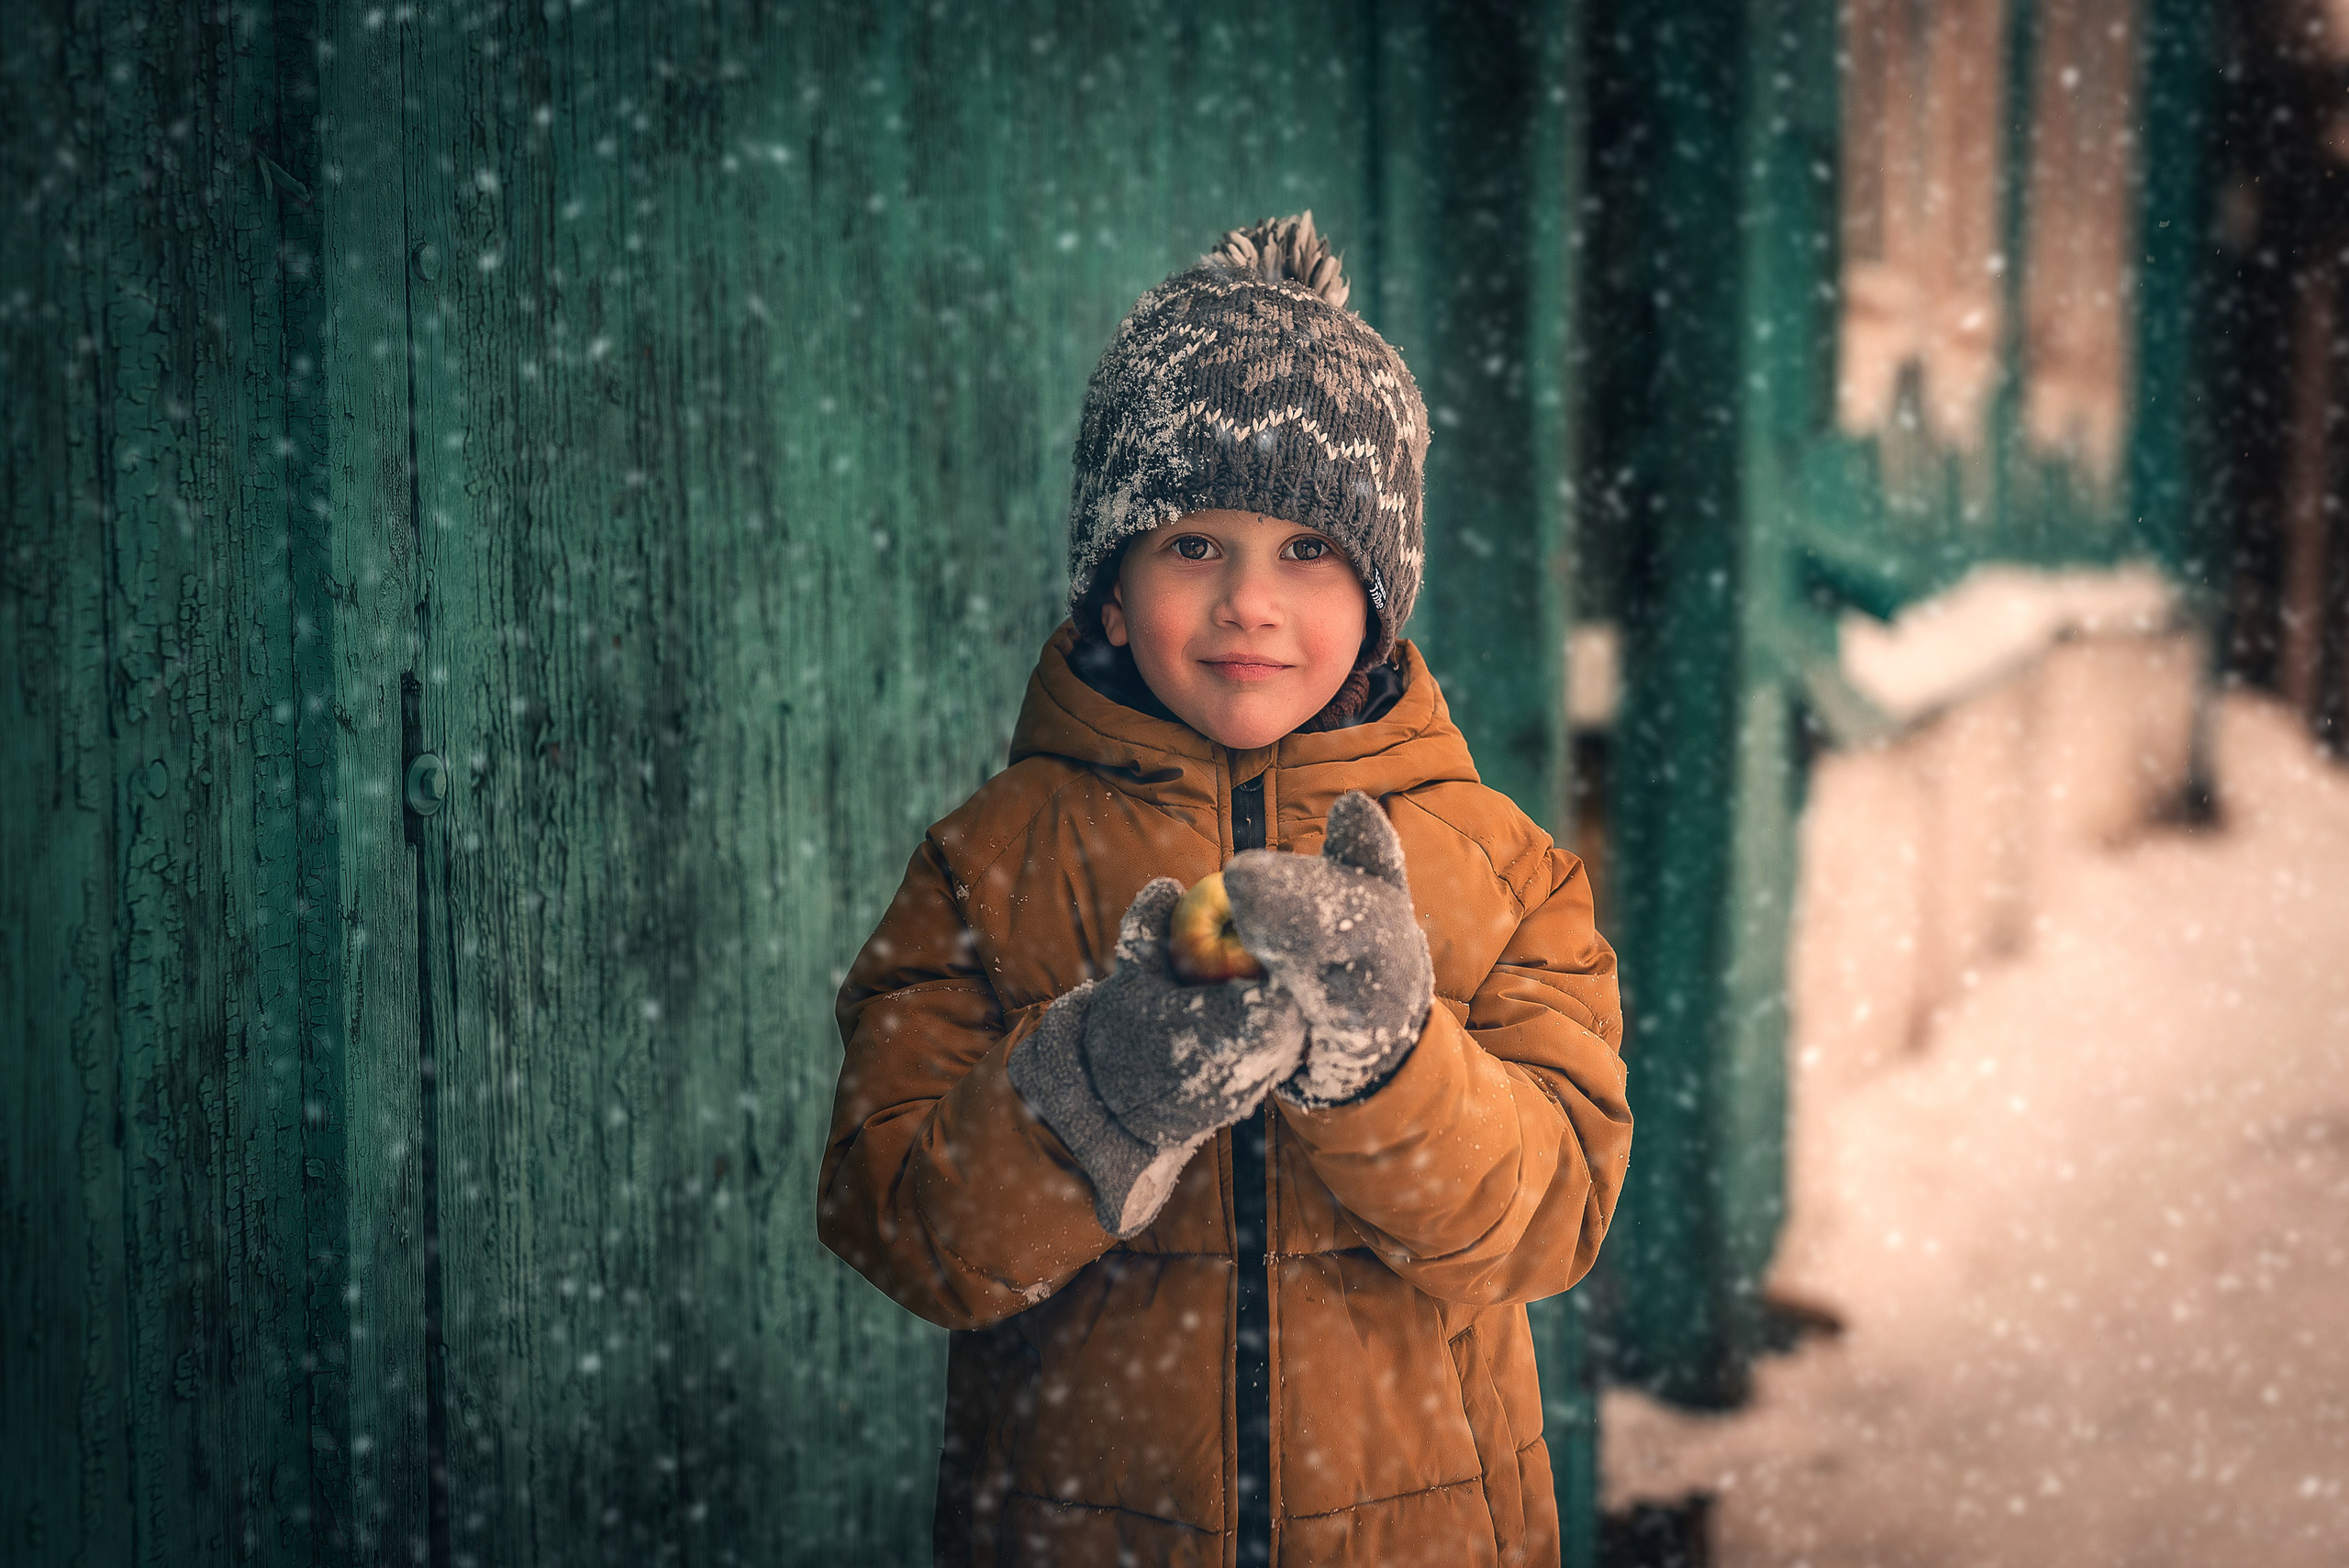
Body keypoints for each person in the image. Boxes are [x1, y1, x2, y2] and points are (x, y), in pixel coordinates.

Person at [818, 213, 1631, 1566]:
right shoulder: (991, 863)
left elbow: (1553, 1219)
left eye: (1308, 549)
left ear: (1380, 597)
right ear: (1112, 592)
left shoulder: (1503, 871)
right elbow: (900, 1219)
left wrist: (1392, 1067)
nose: (1251, 600)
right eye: (1195, 544)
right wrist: (1104, 1083)